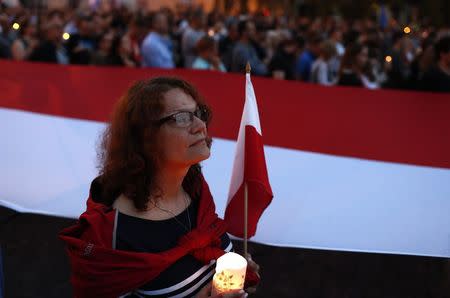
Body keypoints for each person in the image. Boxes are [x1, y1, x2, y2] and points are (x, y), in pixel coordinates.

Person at [59, 77, 259, 297]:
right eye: (182, 118)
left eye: (199, 113)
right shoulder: (111, 234)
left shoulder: (196, 188)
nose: (201, 126)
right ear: (146, 138)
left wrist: (239, 274)